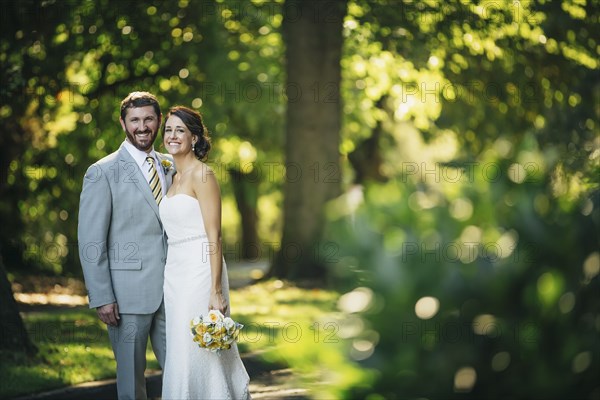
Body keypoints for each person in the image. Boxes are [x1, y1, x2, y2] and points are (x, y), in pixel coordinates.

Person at [78, 91, 175, 399]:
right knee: (132, 384)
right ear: (123, 123)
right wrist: (102, 296)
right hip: (126, 296)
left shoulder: (171, 166)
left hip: (174, 291)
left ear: (159, 122)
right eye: (135, 120)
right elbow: (91, 241)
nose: (142, 126)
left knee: (181, 373)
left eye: (148, 119)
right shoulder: (102, 172)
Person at [159, 106, 250, 399]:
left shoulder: (203, 175)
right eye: (168, 130)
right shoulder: (171, 178)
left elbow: (215, 235)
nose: (172, 135)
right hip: (174, 272)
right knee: (179, 347)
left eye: (180, 130)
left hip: (200, 270)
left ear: (194, 138)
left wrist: (215, 290)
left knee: (199, 348)